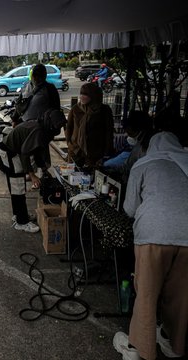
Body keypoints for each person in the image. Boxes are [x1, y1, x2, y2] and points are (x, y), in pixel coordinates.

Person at [113, 131, 188, 360]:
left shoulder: (144, 164)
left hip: (153, 234)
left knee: (146, 293)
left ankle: (138, 350)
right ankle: (173, 343)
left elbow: (130, 208)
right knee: (180, 297)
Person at [0, 109, 66, 232]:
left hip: (13, 152)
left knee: (17, 188)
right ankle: (22, 222)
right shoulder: (38, 130)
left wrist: (43, 168)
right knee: (18, 188)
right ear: (51, 123)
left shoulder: (42, 128)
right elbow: (25, 153)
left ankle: (19, 215)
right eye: (58, 125)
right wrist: (32, 174)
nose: (59, 128)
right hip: (9, 154)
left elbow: (36, 151)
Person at [66, 83, 114, 168]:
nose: (82, 96)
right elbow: (69, 127)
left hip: (94, 152)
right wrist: (69, 143)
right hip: (75, 150)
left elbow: (109, 132)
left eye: (86, 94)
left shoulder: (104, 110)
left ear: (94, 96)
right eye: (81, 93)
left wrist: (106, 151)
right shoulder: (76, 108)